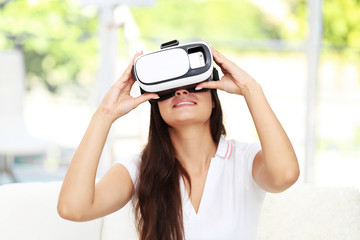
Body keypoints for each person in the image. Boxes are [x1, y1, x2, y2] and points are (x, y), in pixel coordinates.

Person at [57, 45, 300, 240]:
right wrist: (105, 114)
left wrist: (251, 89)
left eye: (194, 84)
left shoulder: (243, 160)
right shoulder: (138, 169)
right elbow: (73, 208)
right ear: (155, 103)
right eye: (169, 89)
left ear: (214, 98)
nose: (181, 92)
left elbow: (285, 175)